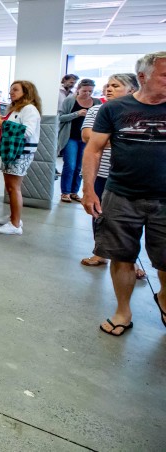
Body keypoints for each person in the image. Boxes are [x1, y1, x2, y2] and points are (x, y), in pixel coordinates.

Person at [81, 52, 166, 336]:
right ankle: (123, 311)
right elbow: (93, 149)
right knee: (121, 255)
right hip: (121, 194)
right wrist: (89, 190)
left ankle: (164, 297)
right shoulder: (114, 109)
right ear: (143, 77)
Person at [79, 73, 140, 270]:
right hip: (102, 172)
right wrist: (124, 139)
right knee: (99, 213)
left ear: (131, 89)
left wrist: (105, 137)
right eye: (108, 85)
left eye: (115, 86)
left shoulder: (141, 112)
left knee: (131, 221)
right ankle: (100, 253)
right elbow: (87, 137)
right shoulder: (97, 109)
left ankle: (132, 261)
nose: (109, 89)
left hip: (129, 174)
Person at [0, 80, 42, 235]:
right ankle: (14, 216)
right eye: (11, 89)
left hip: (21, 153)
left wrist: (4, 124)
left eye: (15, 90)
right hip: (12, 152)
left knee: (14, 188)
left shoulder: (29, 109)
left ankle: (15, 224)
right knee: (10, 187)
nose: (11, 92)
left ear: (26, 92)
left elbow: (27, 131)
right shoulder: (17, 108)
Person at [57, 78, 100, 203]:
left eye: (90, 91)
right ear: (78, 89)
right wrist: (77, 114)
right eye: (85, 91)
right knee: (70, 165)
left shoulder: (97, 102)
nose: (87, 93)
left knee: (80, 167)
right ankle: (65, 192)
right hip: (71, 137)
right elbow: (61, 118)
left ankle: (74, 192)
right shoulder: (70, 101)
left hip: (87, 139)